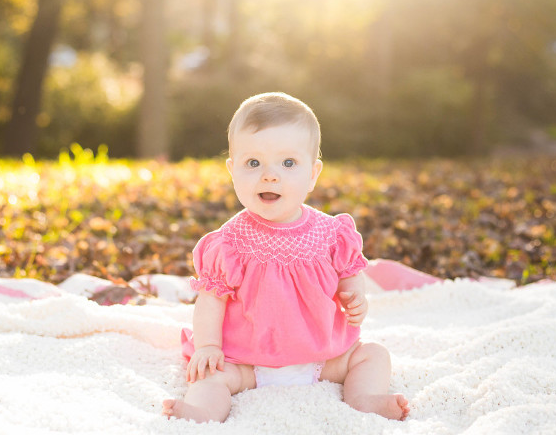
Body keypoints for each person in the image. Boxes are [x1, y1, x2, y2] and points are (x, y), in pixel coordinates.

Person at [162, 92, 410, 423]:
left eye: (288, 163)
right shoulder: (230, 243)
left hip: (324, 357)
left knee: (373, 355)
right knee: (210, 375)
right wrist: (208, 347)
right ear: (232, 170)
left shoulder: (331, 233)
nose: (270, 175)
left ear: (312, 174)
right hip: (247, 362)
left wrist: (356, 295)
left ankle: (366, 399)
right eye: (253, 163)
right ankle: (200, 412)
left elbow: (349, 271)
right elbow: (211, 301)